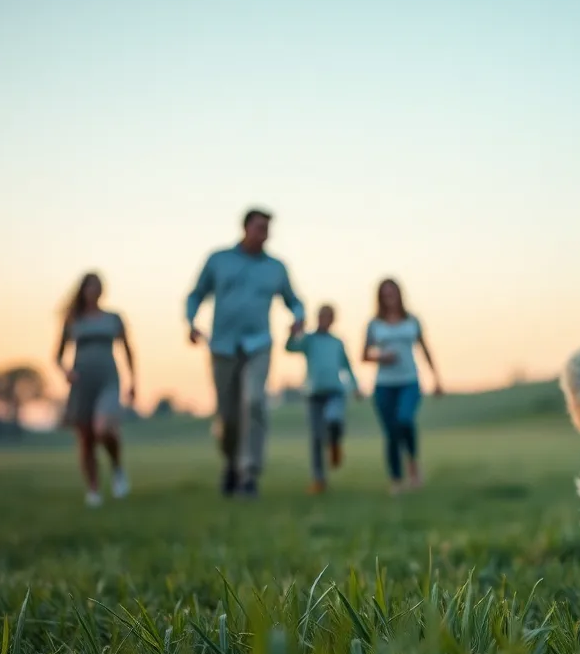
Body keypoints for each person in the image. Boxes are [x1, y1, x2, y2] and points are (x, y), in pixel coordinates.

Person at [186, 208, 305, 497]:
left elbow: (294, 300)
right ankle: (231, 463)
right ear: (245, 228)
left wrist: (298, 317)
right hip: (223, 347)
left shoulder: (276, 267)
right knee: (227, 415)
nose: (264, 233)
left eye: (267, 228)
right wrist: (191, 322)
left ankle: (248, 473)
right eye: (259, 227)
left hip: (259, 345)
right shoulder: (219, 260)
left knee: (253, 401)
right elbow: (196, 294)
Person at [54, 272, 136, 507]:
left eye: (97, 286)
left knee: (104, 428)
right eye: (90, 287)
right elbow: (58, 356)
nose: (93, 291)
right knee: (86, 438)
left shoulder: (113, 318)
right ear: (82, 290)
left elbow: (128, 349)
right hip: (82, 381)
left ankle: (117, 468)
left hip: (108, 378)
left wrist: (133, 382)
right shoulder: (73, 319)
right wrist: (66, 372)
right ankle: (93, 489)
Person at [362, 278, 443, 494]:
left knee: (405, 419)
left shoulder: (412, 320)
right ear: (380, 297)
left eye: (393, 292)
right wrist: (381, 357)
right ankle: (396, 479)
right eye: (385, 293)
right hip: (384, 385)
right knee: (391, 433)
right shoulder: (374, 324)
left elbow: (425, 349)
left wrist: (436, 379)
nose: (390, 297)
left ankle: (413, 465)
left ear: (399, 294)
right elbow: (364, 355)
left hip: (409, 381)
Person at [285, 304, 362, 495]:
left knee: (334, 421)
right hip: (314, 394)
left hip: (335, 391)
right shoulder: (309, 340)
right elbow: (290, 347)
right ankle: (319, 479)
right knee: (317, 438)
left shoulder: (337, 343)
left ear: (333, 320)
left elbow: (347, 366)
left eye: (328, 316)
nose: (324, 320)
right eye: (322, 316)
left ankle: (335, 444)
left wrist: (355, 386)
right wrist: (292, 333)